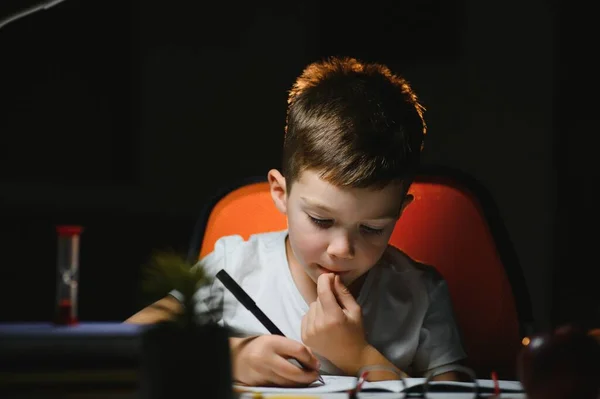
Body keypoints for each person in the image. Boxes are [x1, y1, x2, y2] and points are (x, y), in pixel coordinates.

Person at [126, 56, 467, 387]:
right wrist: (231, 356)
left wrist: (360, 356)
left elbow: (454, 392)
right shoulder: (234, 270)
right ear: (280, 193)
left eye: (372, 228)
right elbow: (126, 342)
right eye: (321, 220)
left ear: (400, 212)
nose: (342, 250)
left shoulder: (421, 294)